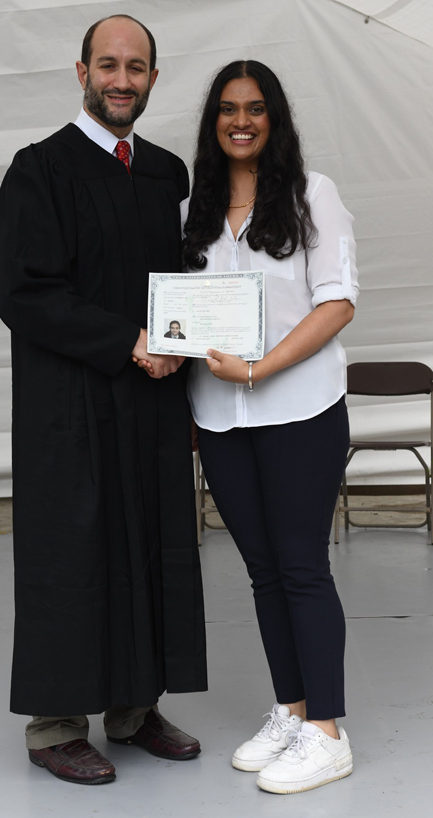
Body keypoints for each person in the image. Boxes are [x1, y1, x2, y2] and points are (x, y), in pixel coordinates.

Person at [0, 15, 207, 786]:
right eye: (108, 65)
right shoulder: (39, 169)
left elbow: (190, 284)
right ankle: (54, 726)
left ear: (154, 77)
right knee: (74, 552)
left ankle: (133, 708)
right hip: (71, 404)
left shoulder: (165, 173)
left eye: (137, 67)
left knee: (148, 541)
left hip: (150, 401)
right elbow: (23, 292)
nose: (122, 79)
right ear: (80, 70)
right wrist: (125, 342)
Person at [170, 59, 357, 794]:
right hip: (219, 418)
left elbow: (336, 303)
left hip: (301, 409)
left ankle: (328, 731)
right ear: (212, 122)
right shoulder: (195, 208)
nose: (240, 121)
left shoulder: (315, 196)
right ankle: (291, 707)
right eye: (226, 109)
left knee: (303, 567)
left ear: (273, 119)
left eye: (254, 109)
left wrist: (259, 367)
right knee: (263, 572)